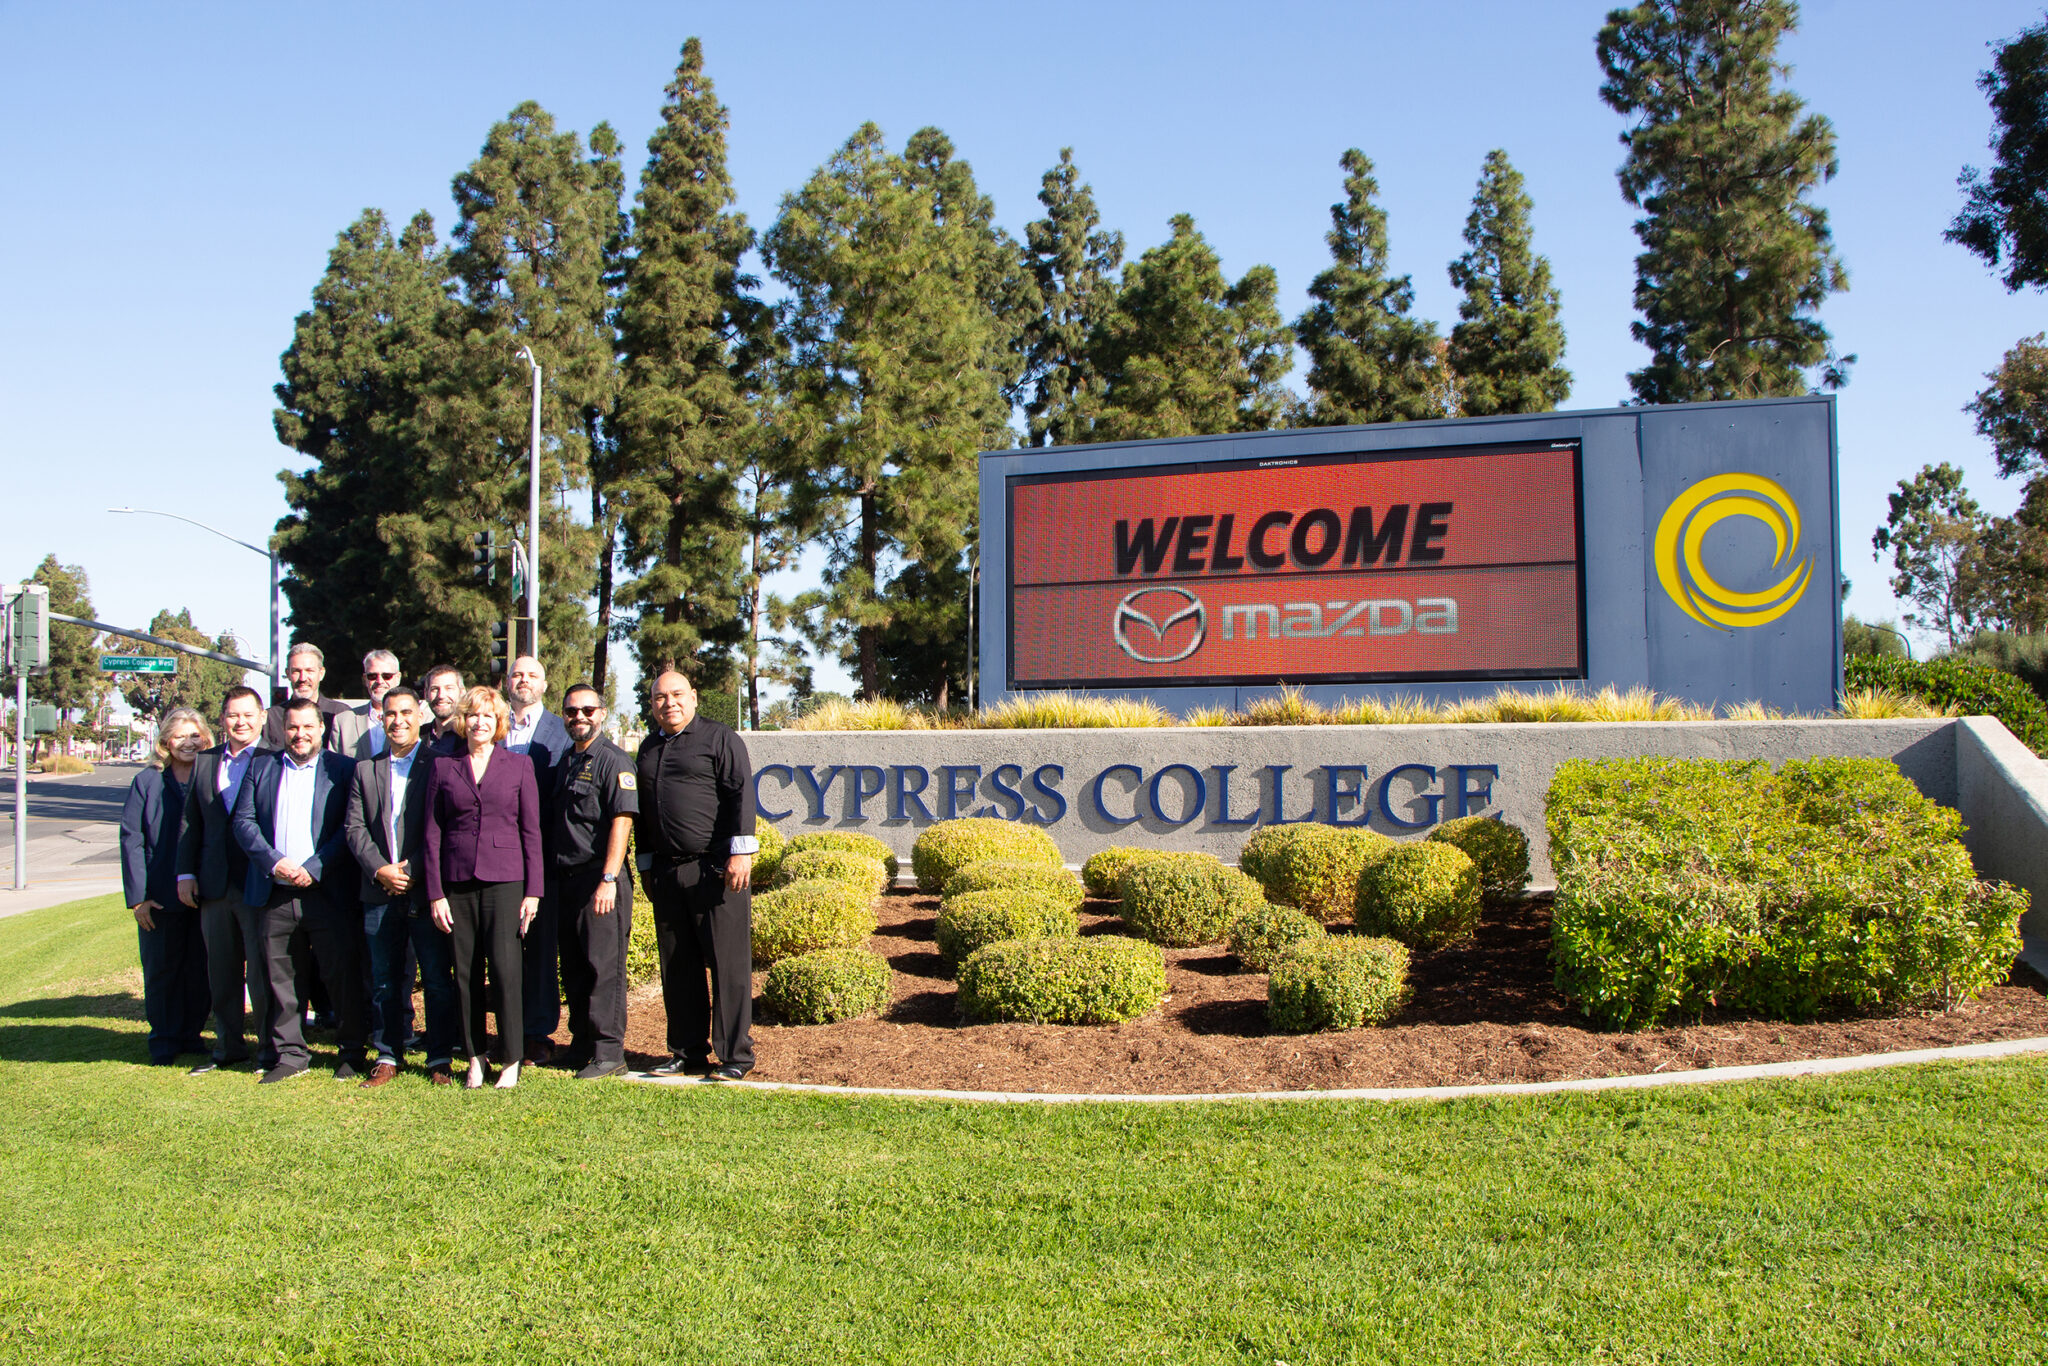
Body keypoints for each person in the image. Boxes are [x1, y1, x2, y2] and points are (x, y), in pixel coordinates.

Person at [232, 696, 364, 1083]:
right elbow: (244, 822)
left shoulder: (343, 769)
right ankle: (290, 1054)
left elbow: (350, 827)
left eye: (308, 726)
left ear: (322, 729)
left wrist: (314, 867)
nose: (299, 734)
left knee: (340, 975)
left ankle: (352, 1052)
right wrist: (275, 861)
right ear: (282, 729)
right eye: (292, 727)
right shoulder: (261, 767)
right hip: (276, 890)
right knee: (282, 977)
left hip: (327, 891)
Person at [635, 670, 758, 1081]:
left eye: (676, 695)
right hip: (668, 873)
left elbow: (741, 793)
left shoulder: (720, 738)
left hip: (716, 870)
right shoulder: (648, 749)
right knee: (678, 965)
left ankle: (735, 1056)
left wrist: (741, 853)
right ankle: (688, 1051)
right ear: (651, 703)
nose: (668, 703)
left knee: (728, 965)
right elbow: (645, 814)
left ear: (694, 698)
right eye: (659, 697)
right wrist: (648, 863)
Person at [423, 685, 543, 1090]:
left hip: (506, 881)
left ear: (498, 724)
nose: (479, 722)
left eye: (488, 716)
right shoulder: (443, 767)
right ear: (463, 720)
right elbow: (432, 834)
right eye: (473, 715)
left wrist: (534, 891)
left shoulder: (518, 766)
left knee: (507, 971)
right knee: (466, 973)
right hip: (456, 883)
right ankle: (475, 1056)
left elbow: (531, 831)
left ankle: (510, 1058)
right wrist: (435, 892)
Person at [343, 686, 449, 1086]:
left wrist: (412, 870)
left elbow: (444, 827)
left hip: (425, 890)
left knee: (437, 977)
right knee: (385, 979)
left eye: (406, 712)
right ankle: (389, 1053)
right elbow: (354, 828)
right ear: (381, 719)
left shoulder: (441, 764)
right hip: (378, 892)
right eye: (390, 713)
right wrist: (380, 870)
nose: (398, 720)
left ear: (419, 716)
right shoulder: (364, 770)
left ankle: (439, 1056)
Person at [175, 685, 272, 1073]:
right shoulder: (204, 762)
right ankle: (227, 1049)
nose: (241, 722)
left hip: (258, 883)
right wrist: (185, 873)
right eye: (233, 715)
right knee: (222, 973)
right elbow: (190, 824)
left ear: (262, 718)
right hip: (214, 886)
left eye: (249, 714)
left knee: (263, 974)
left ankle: (269, 1051)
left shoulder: (274, 760)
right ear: (222, 720)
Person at [547, 683, 638, 1080]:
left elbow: (622, 820)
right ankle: (582, 1043)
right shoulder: (567, 760)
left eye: (587, 710)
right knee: (576, 968)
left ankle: (609, 1052)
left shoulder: (614, 761)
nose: (579, 717)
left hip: (598, 880)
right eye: (571, 712)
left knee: (604, 968)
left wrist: (608, 878)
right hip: (566, 882)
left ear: (602, 713)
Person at [120, 707, 213, 1066]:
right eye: (179, 736)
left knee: (199, 969)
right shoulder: (147, 781)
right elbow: (132, 839)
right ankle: (163, 1040)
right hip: (158, 896)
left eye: (194, 736)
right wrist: (138, 898)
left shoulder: (211, 775)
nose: (188, 743)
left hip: (205, 894)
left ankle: (191, 1035)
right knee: (162, 971)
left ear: (205, 739)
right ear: (165, 743)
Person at [503, 653, 570, 1064]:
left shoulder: (560, 732)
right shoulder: (491, 726)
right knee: (501, 945)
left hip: (542, 854)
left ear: (545, 685)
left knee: (540, 946)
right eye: (517, 674)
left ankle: (537, 1033)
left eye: (532, 675)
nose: (523, 680)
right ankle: (506, 1029)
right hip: (493, 855)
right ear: (506, 683)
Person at [260, 642, 352, 752]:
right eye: (296, 671)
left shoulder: (341, 714)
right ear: (288, 674)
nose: (303, 678)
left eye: (309, 671)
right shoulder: (271, 718)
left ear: (321, 673)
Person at [333, 649, 402, 760]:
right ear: (365, 679)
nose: (379, 681)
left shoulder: (416, 720)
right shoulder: (343, 722)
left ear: (398, 678)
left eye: (387, 676)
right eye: (372, 676)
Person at [421, 664, 467, 755]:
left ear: (462, 692)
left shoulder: (471, 736)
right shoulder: (417, 736)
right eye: (435, 689)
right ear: (426, 694)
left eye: (449, 688)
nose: (441, 695)